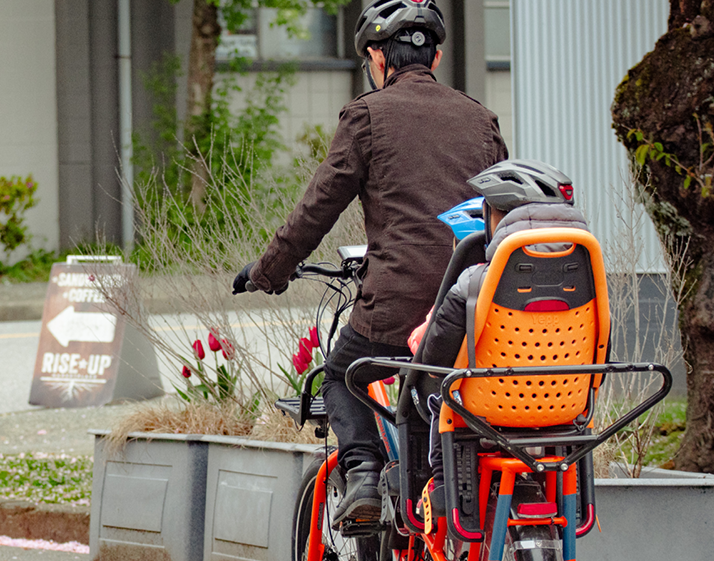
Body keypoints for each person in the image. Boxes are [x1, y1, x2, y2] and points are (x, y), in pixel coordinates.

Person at [231, 0, 509, 525]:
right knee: (442, 386)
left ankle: (361, 473)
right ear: (437, 57)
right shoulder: (480, 118)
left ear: (379, 58)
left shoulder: (366, 116)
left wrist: (268, 271)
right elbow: (504, 212)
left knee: (340, 375)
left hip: (398, 310)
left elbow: (318, 208)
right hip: (474, 305)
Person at [409, 159, 585, 515]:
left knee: (428, 393)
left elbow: (435, 355)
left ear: (496, 219)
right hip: (566, 406)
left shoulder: (475, 282)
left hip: (487, 406)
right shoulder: (589, 285)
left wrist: (423, 371)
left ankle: (442, 481)